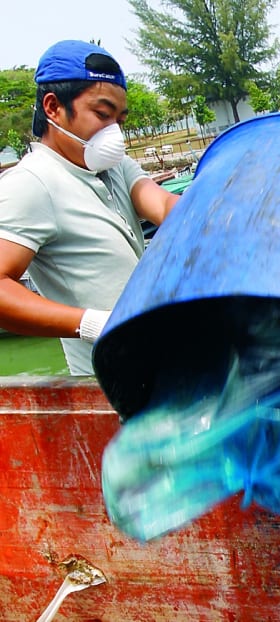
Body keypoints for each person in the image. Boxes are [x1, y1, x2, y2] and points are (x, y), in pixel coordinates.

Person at [0, 40, 179, 375]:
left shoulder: (114, 168)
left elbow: (162, 203)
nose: (113, 132)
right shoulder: (32, 183)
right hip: (107, 384)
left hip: (159, 369)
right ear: (53, 108)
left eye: (119, 120)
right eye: (101, 114)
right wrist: (91, 323)